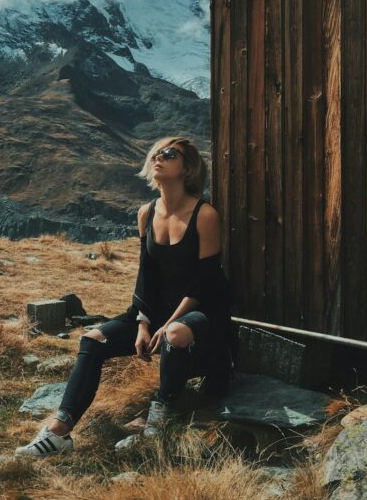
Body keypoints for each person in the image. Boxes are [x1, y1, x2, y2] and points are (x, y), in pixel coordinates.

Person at [15, 136, 234, 458]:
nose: (159, 157)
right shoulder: (146, 213)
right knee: (93, 340)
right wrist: (143, 322)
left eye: (169, 154)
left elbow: (207, 281)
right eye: (156, 153)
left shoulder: (204, 215)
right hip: (156, 313)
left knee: (174, 334)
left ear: (186, 167)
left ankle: (159, 420)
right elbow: (146, 274)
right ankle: (60, 431)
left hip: (202, 314)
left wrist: (166, 324)